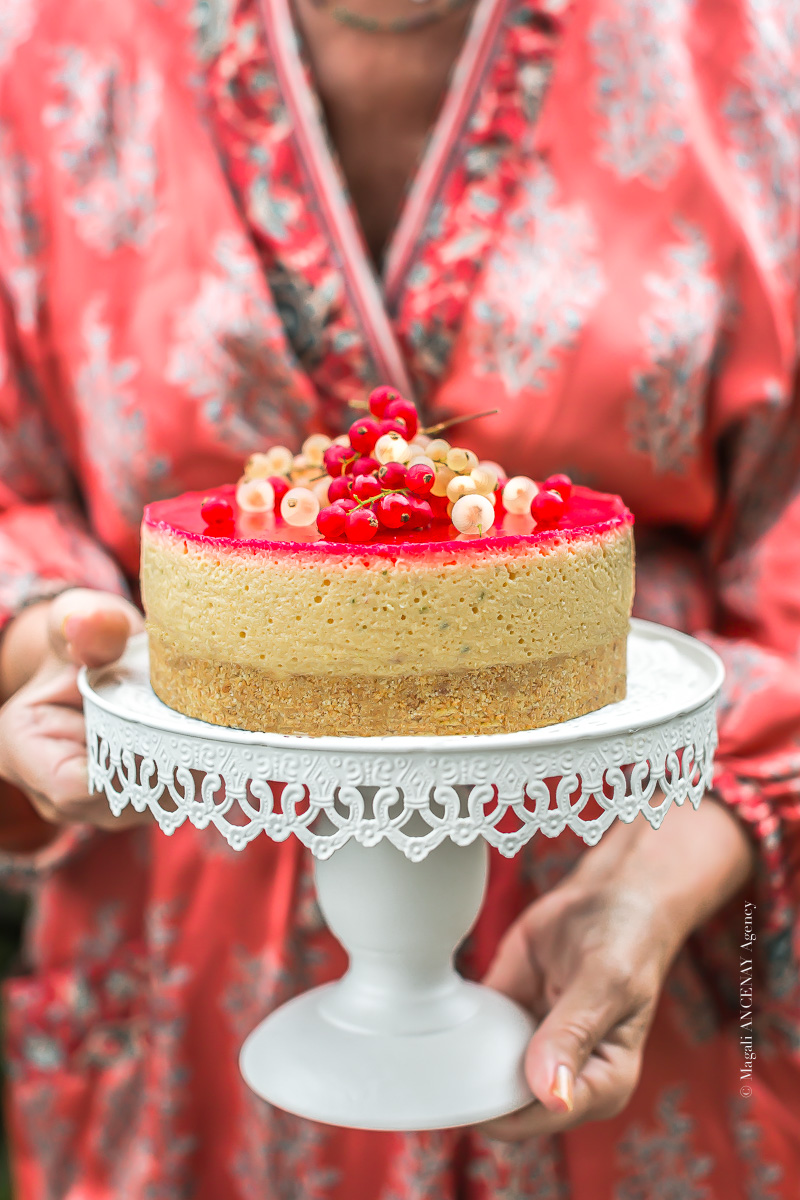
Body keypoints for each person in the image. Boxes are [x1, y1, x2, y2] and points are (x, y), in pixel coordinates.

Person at [0, 0, 798, 1195]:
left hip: (627, 921)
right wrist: (46, 641)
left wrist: (656, 877)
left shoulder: (752, 59)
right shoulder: (47, 59)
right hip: (190, 985)